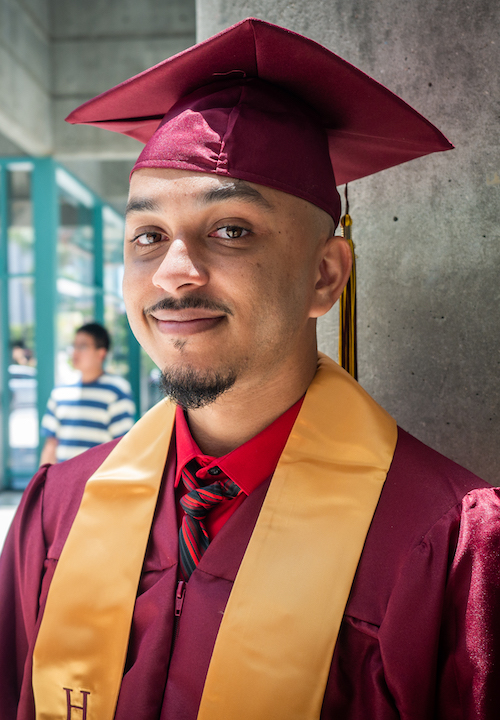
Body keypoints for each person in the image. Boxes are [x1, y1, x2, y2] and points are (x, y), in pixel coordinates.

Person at [1, 18, 500, 720]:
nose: (174, 273)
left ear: (326, 277)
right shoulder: (59, 510)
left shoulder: (447, 546)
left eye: (230, 229)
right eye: (147, 236)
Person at [39, 322, 136, 464]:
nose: (75, 352)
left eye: (82, 346)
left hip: (98, 484)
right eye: (74, 346)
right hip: (64, 482)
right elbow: (51, 444)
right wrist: (42, 484)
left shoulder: (116, 391)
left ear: (101, 353)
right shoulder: (60, 391)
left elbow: (122, 447)